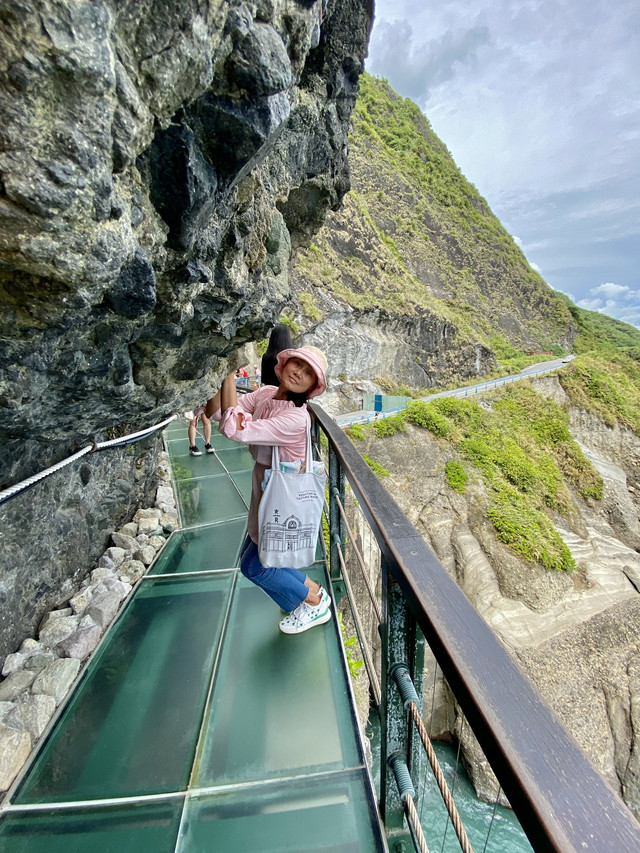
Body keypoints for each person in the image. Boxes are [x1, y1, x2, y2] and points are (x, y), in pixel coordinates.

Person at [207, 346, 331, 635]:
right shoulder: (266, 394)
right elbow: (220, 413)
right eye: (297, 364)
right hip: (267, 488)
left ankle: (313, 603)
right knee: (264, 554)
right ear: (284, 364)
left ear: (312, 386)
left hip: (282, 496)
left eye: (308, 373)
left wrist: (229, 372)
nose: (299, 373)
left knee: (255, 566)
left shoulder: (296, 418)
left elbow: (235, 428)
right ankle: (313, 592)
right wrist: (219, 375)